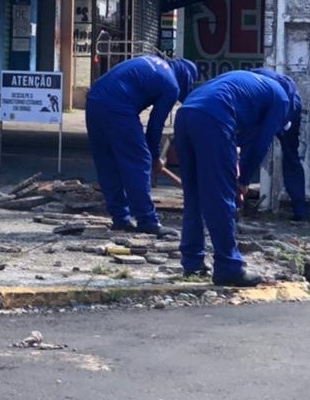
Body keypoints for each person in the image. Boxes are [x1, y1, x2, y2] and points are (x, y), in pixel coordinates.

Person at [173, 70, 292, 286]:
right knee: (220, 197)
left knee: (195, 195)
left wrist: (237, 168)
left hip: (185, 114)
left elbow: (245, 139)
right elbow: (260, 144)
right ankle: (228, 266)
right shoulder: (281, 98)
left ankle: (192, 261)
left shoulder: (248, 83)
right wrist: (243, 180)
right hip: (213, 118)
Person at [85, 55, 197, 235]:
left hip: (94, 99)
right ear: (187, 78)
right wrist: (154, 157)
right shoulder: (172, 85)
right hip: (118, 105)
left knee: (107, 162)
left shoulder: (155, 62)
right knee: (139, 160)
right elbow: (155, 126)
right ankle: (147, 220)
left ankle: (120, 218)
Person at [252, 68, 308, 220]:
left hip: (288, 109)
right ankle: (300, 210)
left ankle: (299, 209)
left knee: (290, 157)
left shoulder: (259, 83)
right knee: (290, 157)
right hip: (281, 105)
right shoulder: (258, 83)